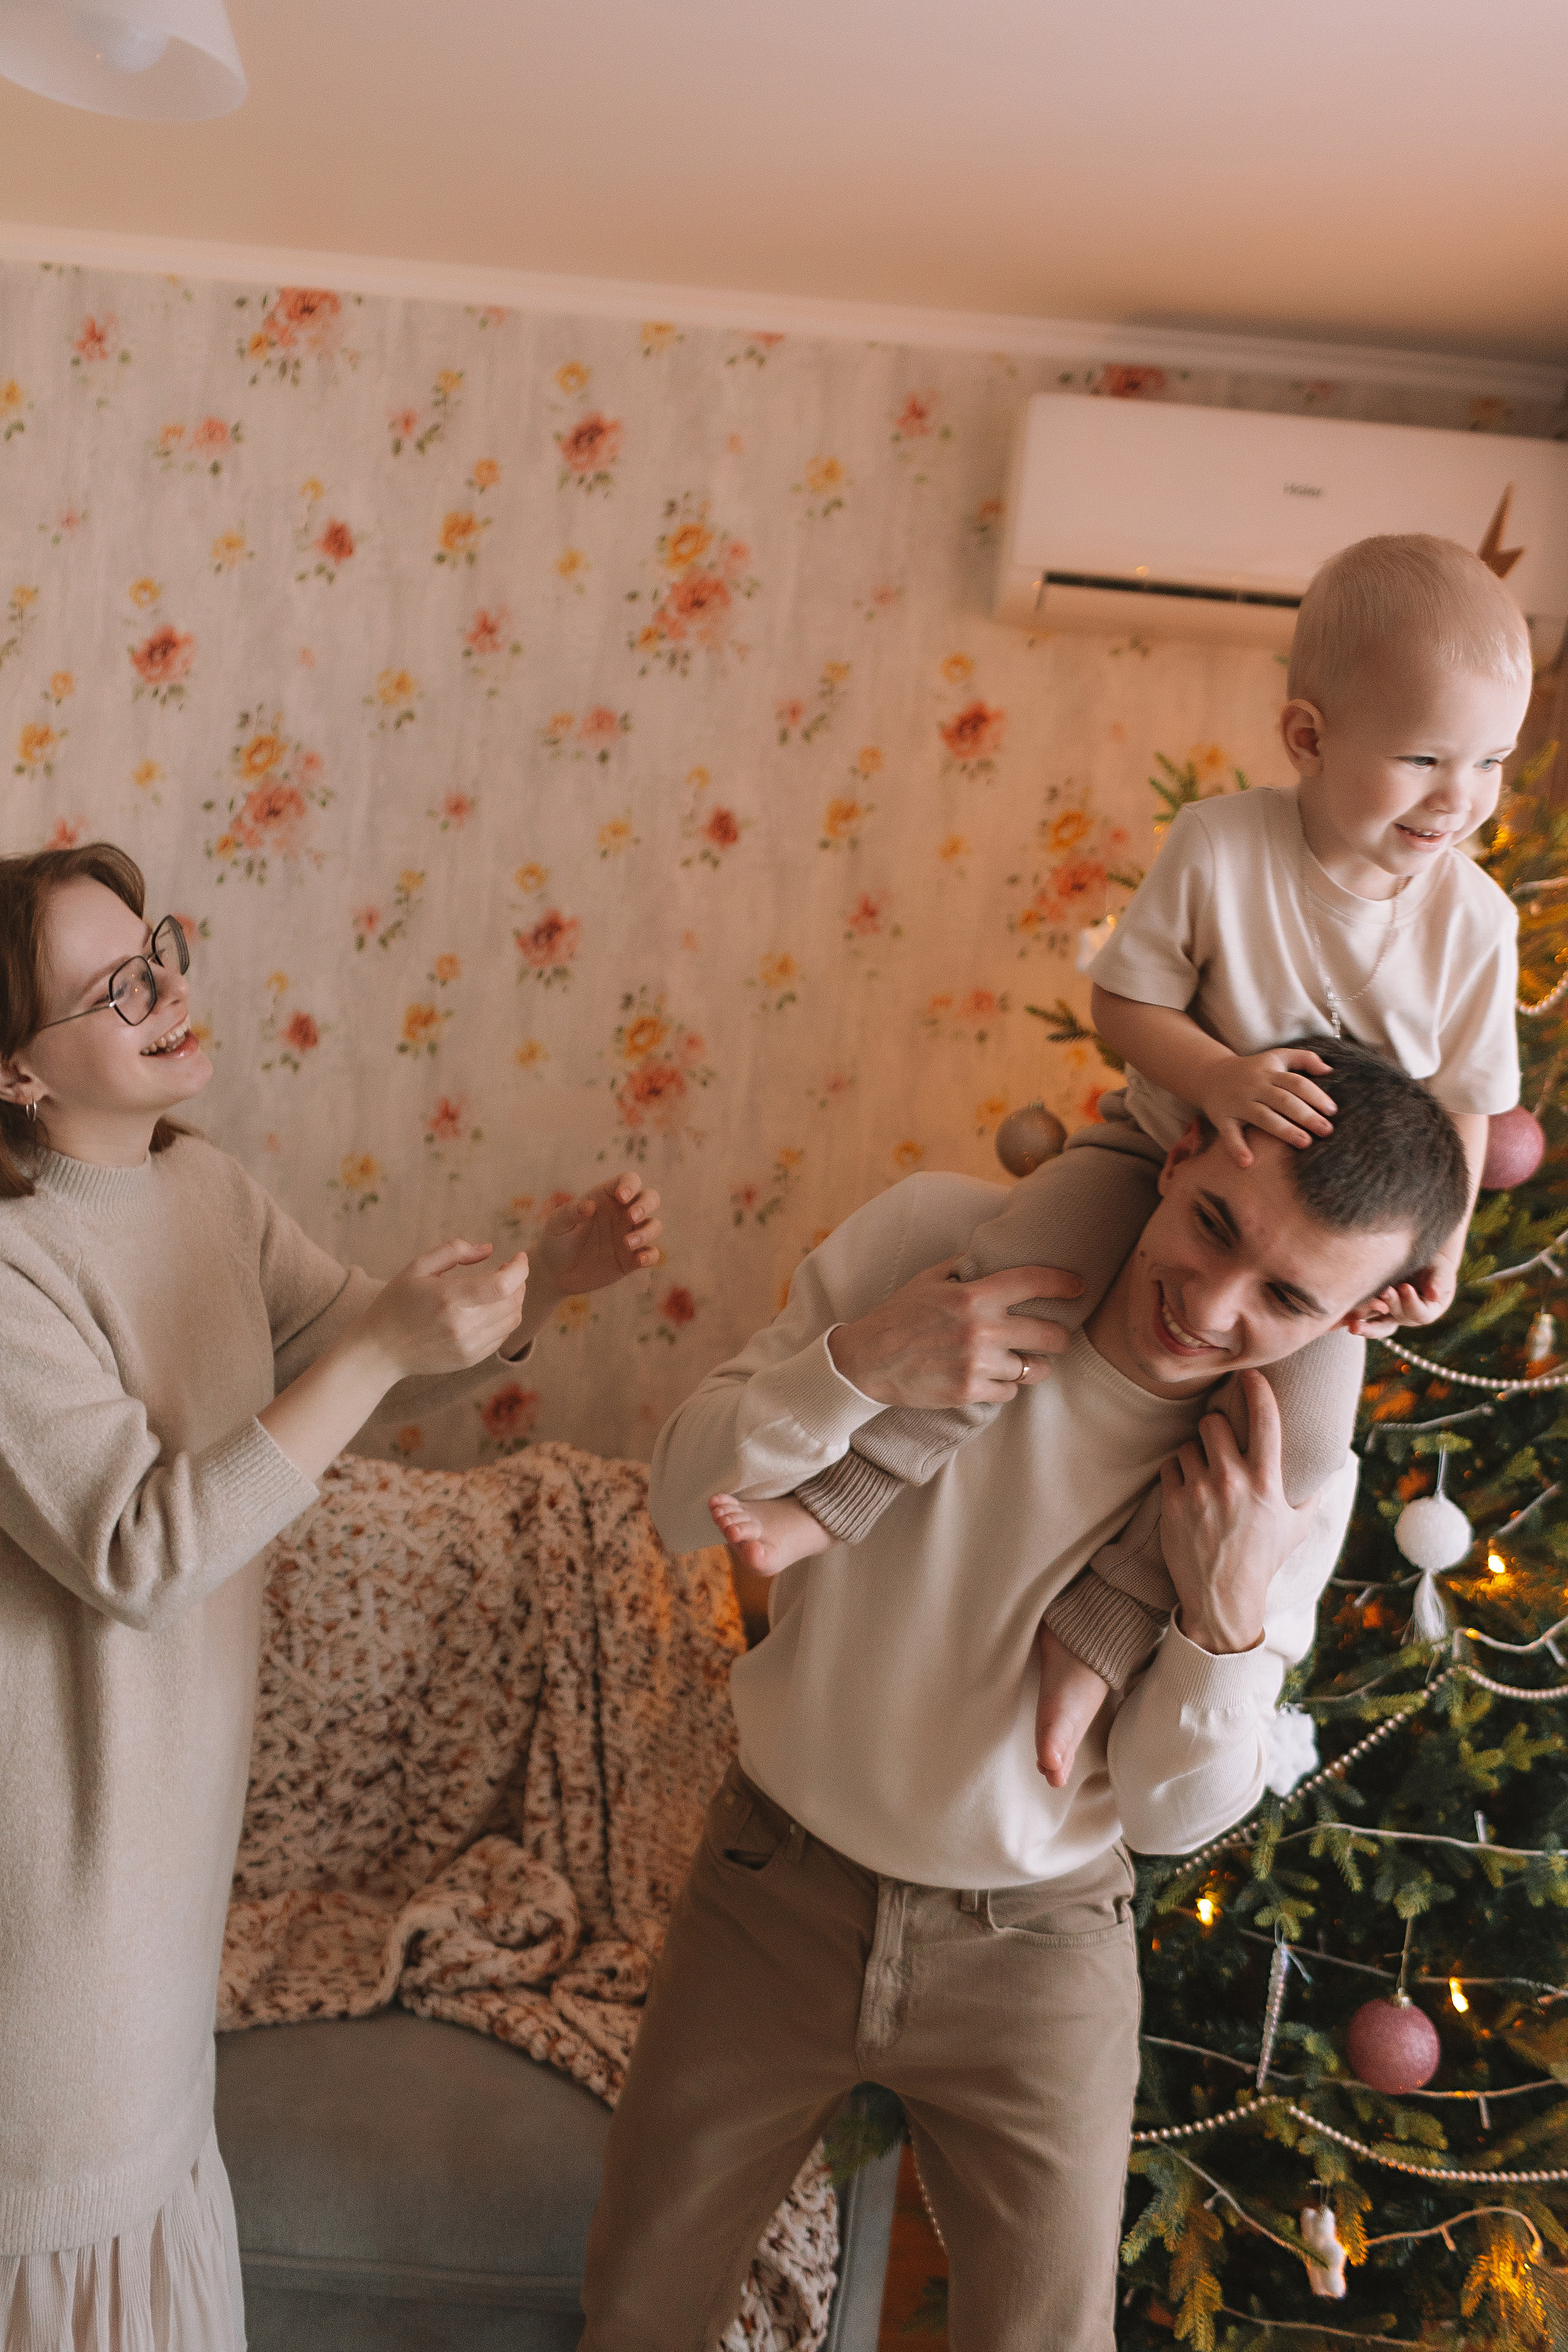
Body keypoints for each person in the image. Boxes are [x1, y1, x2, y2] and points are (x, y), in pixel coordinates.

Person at [578, 1038, 1469, 2351]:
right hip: (769, 1891)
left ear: (1347, 1322)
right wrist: (859, 1366)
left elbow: (1170, 1821)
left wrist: (1222, 1621)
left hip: (1038, 1947)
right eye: (1214, 1223)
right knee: (638, 2314)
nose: (1211, 1304)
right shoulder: (945, 1238)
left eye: (1282, 1299)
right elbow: (675, 1501)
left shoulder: (1283, 1475)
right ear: (1175, 1150)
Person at [714, 532, 1525, 1784]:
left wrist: (1442, 1246)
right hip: (1153, 1147)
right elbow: (1123, 1010)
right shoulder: (1224, 847)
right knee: (1002, 1282)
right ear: (1306, 737)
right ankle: (831, 1505)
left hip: (1329, 1245)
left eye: (1489, 762)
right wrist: (1215, 1078)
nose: (1455, 799)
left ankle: (1098, 1641)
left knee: (1294, 1458)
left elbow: (1468, 1105)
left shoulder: (1473, 918)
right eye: (1421, 757)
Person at [0, 842, 661, 2352]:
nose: (168, 992)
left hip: (162, 1888)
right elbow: (145, 1550)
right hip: (48, 1906)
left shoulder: (203, 1193)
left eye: (157, 949)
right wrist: (378, 1349)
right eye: (114, 987)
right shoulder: (10, 1267)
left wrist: (540, 1282)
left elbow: (355, 1380)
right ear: (16, 1075)